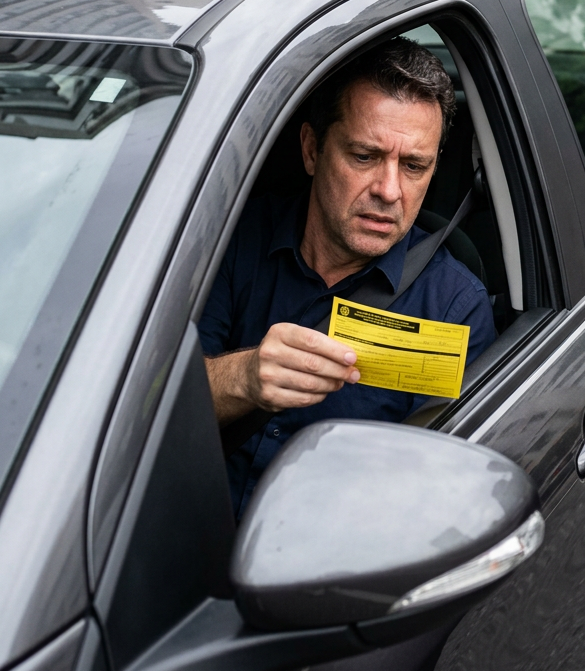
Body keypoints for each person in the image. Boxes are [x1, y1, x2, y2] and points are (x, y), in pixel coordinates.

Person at [200, 37, 496, 516]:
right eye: (364, 156)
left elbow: (437, 497)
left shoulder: (453, 309)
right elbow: (148, 407)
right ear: (312, 150)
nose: (389, 190)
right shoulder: (233, 238)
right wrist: (245, 378)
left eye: (415, 166)